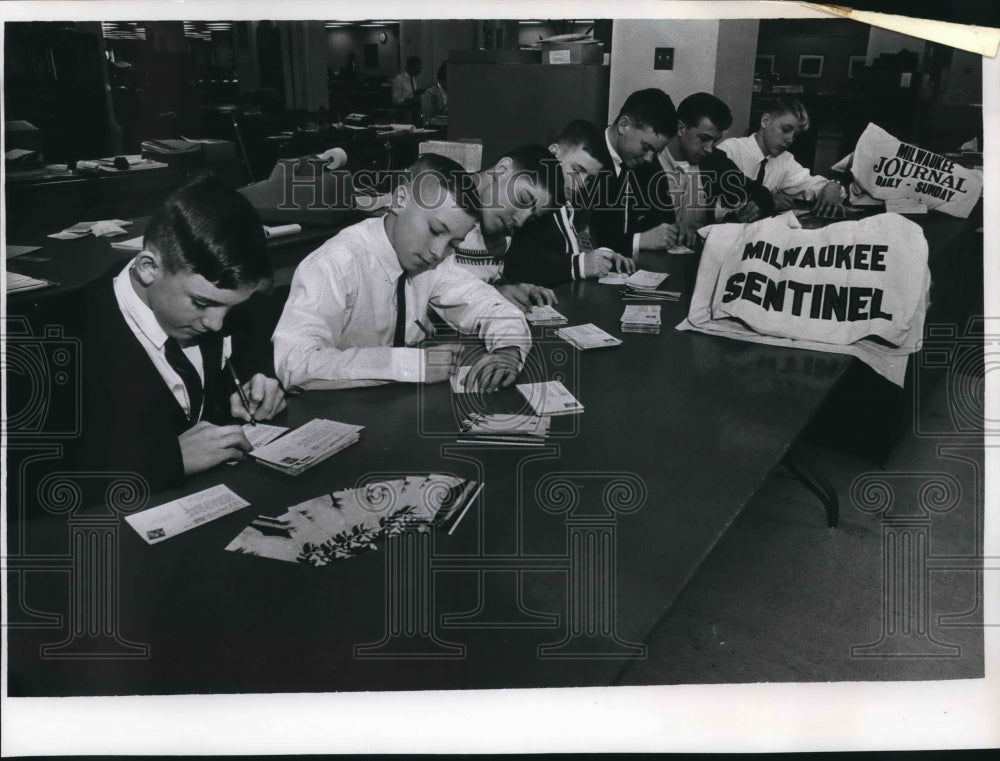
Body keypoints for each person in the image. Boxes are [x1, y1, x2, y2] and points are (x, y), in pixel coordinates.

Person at [68, 172, 286, 494]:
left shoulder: (224, 308)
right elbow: (24, 481)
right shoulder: (63, 337)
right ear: (148, 268)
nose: (216, 324)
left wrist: (260, 379)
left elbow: (245, 354)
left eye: (231, 308)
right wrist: (169, 460)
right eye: (200, 303)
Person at [273, 153, 531, 392]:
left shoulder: (434, 261)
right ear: (400, 200)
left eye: (453, 243)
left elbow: (489, 304)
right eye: (435, 230)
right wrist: (408, 364)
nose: (438, 252)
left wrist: (509, 350)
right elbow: (294, 363)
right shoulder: (336, 263)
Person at [503, 119, 635, 288]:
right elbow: (517, 262)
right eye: (577, 170)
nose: (581, 183)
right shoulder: (526, 198)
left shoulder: (567, 203)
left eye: (590, 179)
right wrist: (579, 265)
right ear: (553, 153)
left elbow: (571, 250)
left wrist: (604, 256)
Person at [451, 144, 565, 311]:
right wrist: (493, 295)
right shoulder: (443, 209)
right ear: (502, 170)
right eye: (523, 199)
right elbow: (422, 296)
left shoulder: (503, 231)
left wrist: (516, 288)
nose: (521, 220)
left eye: (532, 218)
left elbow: (482, 279)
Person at [654, 92, 776, 248]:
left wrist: (759, 204)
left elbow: (757, 191)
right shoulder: (649, 160)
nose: (709, 148)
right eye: (704, 139)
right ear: (680, 128)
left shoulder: (713, 161)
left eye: (715, 141)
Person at [718, 96, 845, 218]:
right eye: (785, 129)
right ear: (765, 121)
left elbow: (811, 185)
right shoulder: (730, 150)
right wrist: (766, 201)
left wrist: (831, 186)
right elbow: (712, 208)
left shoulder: (784, 160)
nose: (790, 139)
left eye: (795, 135)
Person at [587, 88, 677, 257]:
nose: (650, 158)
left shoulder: (647, 162)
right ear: (624, 125)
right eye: (646, 147)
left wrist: (669, 233)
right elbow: (586, 239)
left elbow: (664, 218)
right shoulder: (586, 159)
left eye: (656, 152)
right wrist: (639, 241)